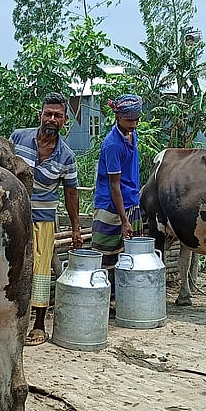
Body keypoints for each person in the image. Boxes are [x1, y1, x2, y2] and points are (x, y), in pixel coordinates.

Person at [10, 93, 82, 346]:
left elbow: (71, 193)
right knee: (8, 266)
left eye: (58, 115)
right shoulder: (18, 138)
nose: (52, 119)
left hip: (43, 218)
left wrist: (75, 229)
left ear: (64, 121)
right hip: (12, 213)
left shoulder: (67, 156)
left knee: (40, 270)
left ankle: (38, 324)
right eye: (48, 113)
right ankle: (7, 321)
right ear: (40, 115)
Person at [91, 94, 144, 277]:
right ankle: (105, 298)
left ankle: (123, 297)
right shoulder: (112, 145)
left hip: (130, 201)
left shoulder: (132, 134)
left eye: (136, 120)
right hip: (111, 206)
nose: (134, 124)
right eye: (129, 120)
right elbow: (115, 185)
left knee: (129, 256)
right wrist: (124, 220)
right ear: (118, 117)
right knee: (105, 256)